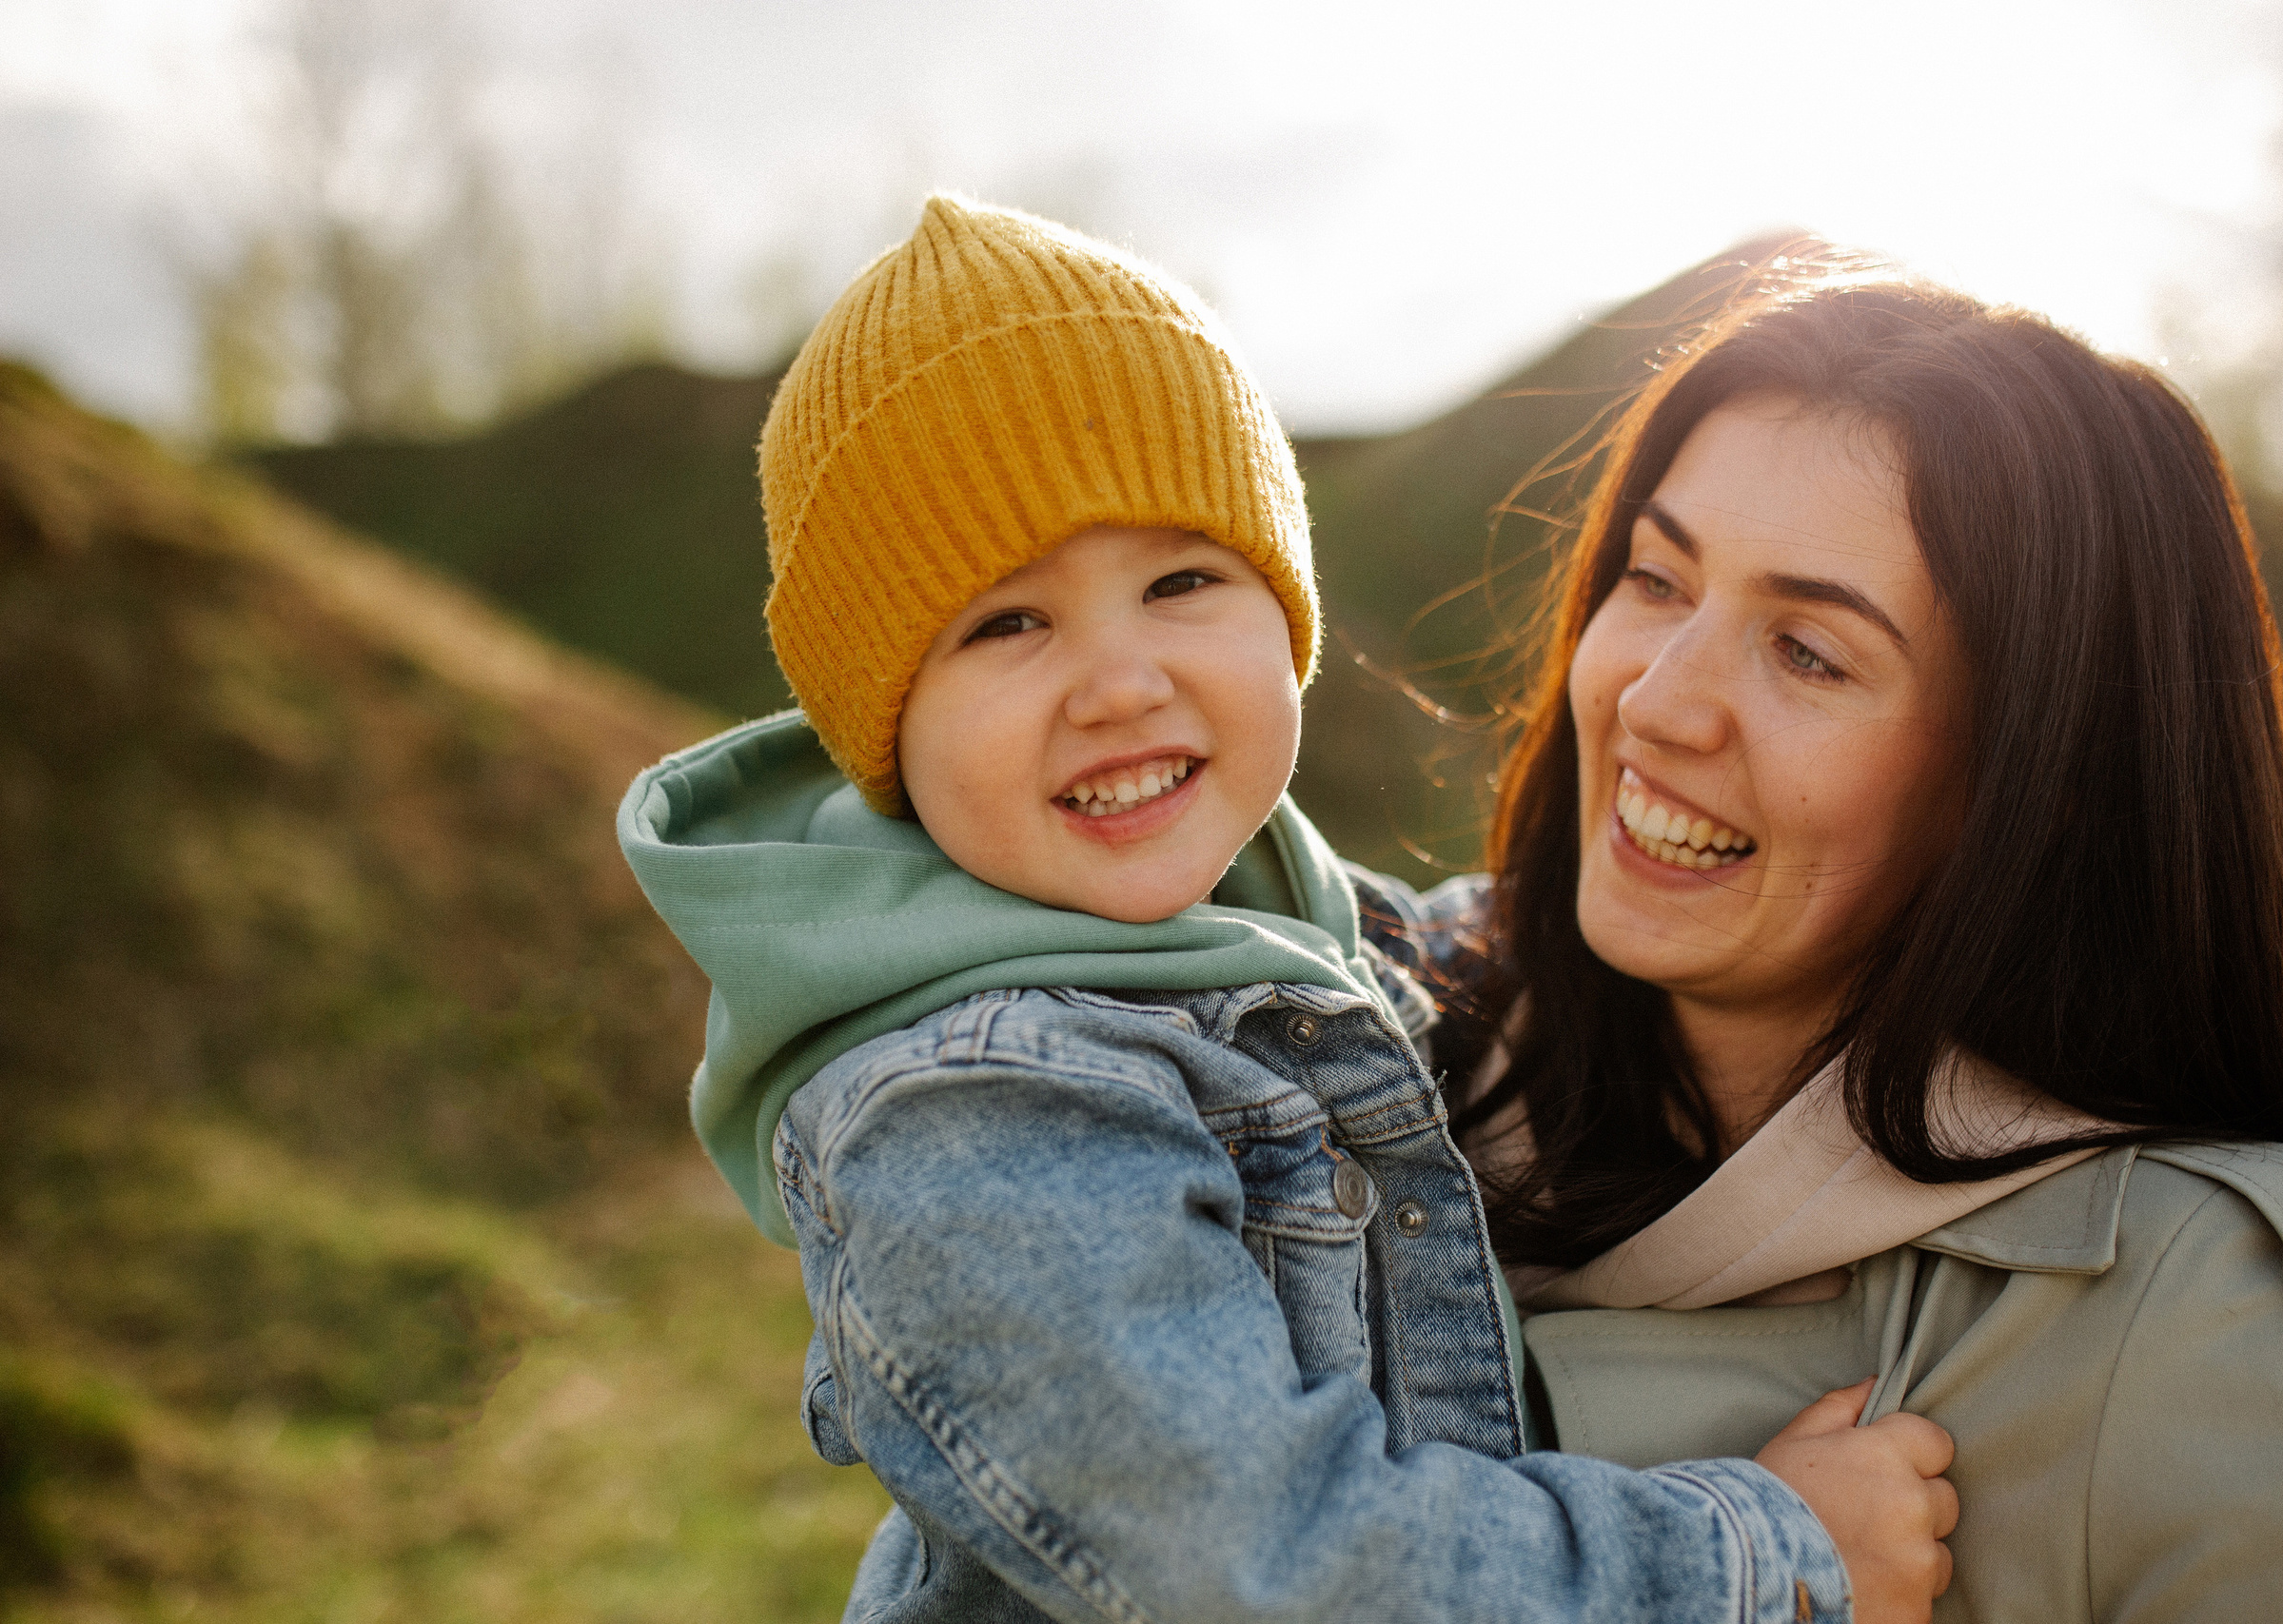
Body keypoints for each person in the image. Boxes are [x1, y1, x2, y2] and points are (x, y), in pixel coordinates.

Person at [619, 197, 1960, 1623]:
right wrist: (1763, 1555)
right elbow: (1264, 1563)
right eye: (1008, 624)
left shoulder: (1240, 913)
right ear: (882, 726)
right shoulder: (972, 1115)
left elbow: (1438, 949)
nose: (1122, 681)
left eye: (1183, 579)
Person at [1381, 267, 2283, 1621]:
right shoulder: (1347, 1083)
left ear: (2032, 777)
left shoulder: (2190, 1315)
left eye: (1809, 652)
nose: (1658, 698)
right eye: (1655, 577)